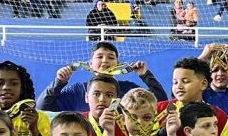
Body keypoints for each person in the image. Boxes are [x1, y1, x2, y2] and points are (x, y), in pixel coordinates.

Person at [38, 40, 167, 113]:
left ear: (118, 64)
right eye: (99, 57)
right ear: (90, 64)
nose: (105, 61)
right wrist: (58, 82)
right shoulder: (77, 90)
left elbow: (160, 102)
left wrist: (145, 75)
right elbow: (42, 108)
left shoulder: (128, 89)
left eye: (111, 57)